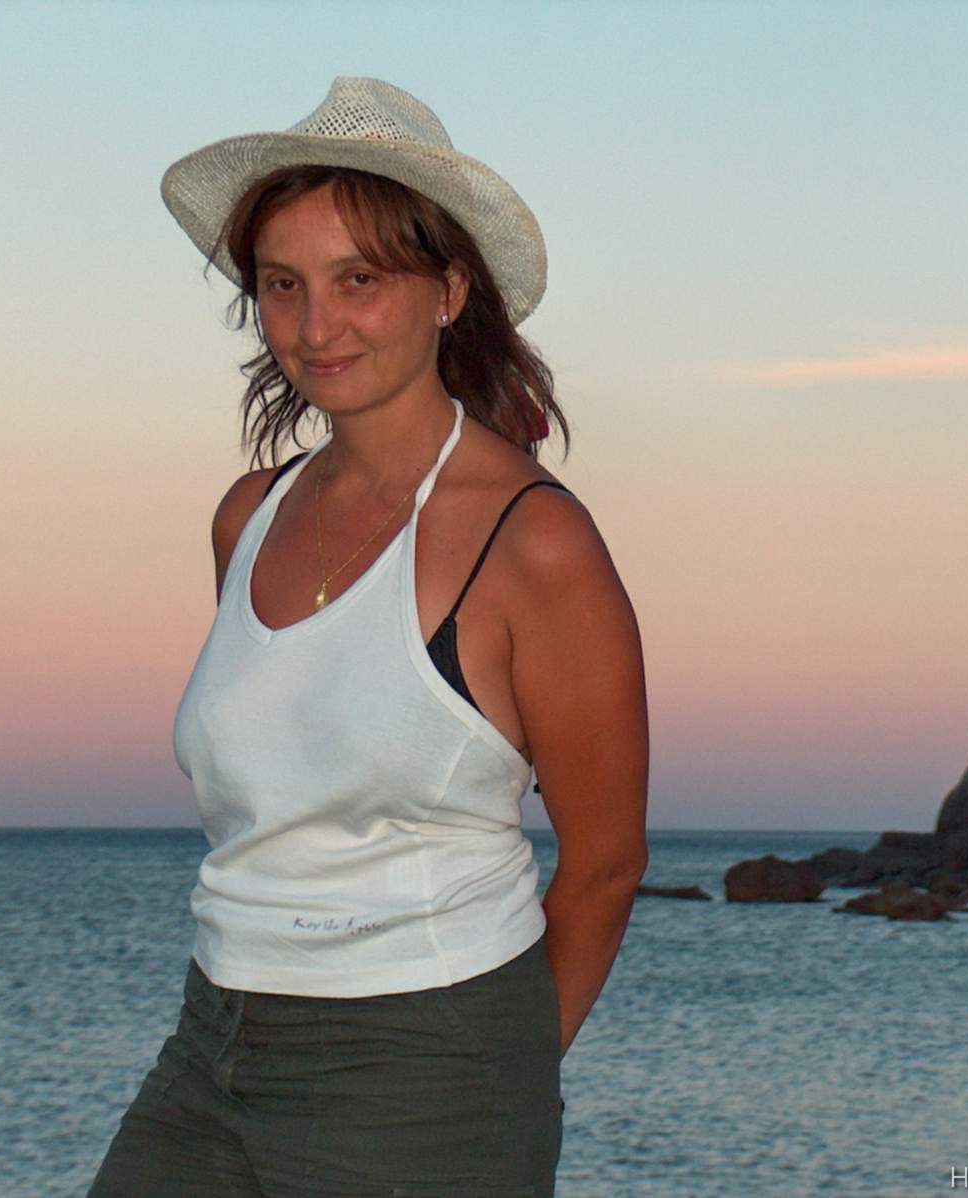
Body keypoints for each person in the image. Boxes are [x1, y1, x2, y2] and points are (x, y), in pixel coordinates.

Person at [88, 76, 649, 1197]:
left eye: (360, 279)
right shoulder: (248, 517)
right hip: (212, 1038)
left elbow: (604, 864)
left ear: (448, 292)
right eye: (283, 284)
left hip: (424, 1061)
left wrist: (493, 1089)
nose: (316, 325)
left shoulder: (531, 542)